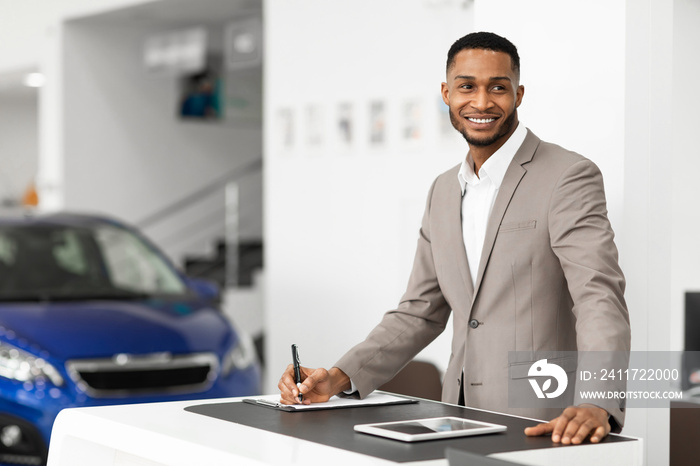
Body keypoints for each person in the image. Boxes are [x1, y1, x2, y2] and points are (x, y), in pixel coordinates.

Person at [278, 31, 630, 445]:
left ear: (518, 94)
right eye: (467, 87)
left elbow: (597, 295)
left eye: (498, 87)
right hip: (457, 415)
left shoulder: (568, 175)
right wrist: (338, 377)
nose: (481, 103)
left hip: (546, 419)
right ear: (446, 93)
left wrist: (598, 401)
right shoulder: (443, 191)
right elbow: (419, 311)